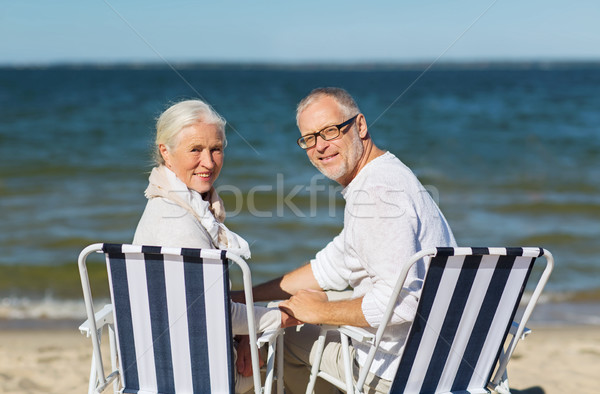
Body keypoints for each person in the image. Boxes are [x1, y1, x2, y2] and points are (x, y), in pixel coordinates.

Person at [235, 87, 456, 393]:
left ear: (360, 126)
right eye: (309, 138)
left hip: (399, 369)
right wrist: (244, 296)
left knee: (280, 339)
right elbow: (330, 267)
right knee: (293, 313)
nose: (320, 146)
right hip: (444, 357)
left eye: (330, 131)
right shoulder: (388, 175)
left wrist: (319, 312)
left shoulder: (377, 194)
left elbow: (402, 304)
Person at [133, 99, 298, 393]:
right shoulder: (179, 223)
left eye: (216, 149)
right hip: (197, 375)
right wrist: (285, 314)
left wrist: (246, 333)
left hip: (153, 367)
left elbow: (196, 306)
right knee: (297, 348)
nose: (208, 163)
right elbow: (215, 314)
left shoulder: (166, 205)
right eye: (195, 149)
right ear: (165, 152)